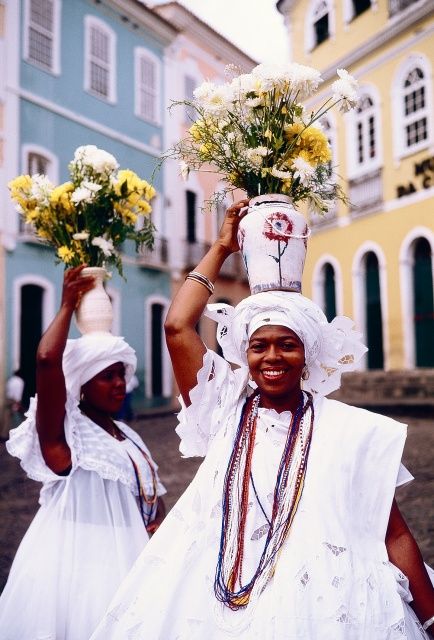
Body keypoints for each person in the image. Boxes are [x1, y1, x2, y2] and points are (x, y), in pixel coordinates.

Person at [92, 202, 434, 639]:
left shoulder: (352, 429)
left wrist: (430, 618)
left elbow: (393, 533)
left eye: (287, 345)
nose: (272, 357)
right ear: (245, 355)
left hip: (328, 604)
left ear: (307, 353)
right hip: (222, 599)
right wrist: (221, 246)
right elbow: (178, 326)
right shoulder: (223, 408)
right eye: (260, 346)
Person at [0, 266, 166, 640]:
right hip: (76, 568)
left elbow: (150, 493)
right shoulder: (67, 437)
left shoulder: (126, 434)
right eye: (108, 376)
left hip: (132, 561)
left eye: (122, 373)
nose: (120, 383)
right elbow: (45, 360)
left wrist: (159, 525)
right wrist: (66, 305)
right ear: (82, 384)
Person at [1, 370, 25, 440]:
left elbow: (8, 390)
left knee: (7, 417)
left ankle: (4, 435)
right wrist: (18, 402)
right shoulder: (20, 381)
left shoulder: (10, 380)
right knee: (23, 416)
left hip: (8, 399)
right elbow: (18, 392)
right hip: (15, 400)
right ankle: (22, 434)